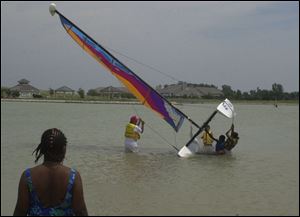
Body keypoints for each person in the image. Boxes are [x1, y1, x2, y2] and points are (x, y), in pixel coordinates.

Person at [13, 128, 88, 216]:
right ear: (64, 149)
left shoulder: (27, 176)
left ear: (42, 149)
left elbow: (20, 212)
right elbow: (81, 211)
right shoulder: (73, 176)